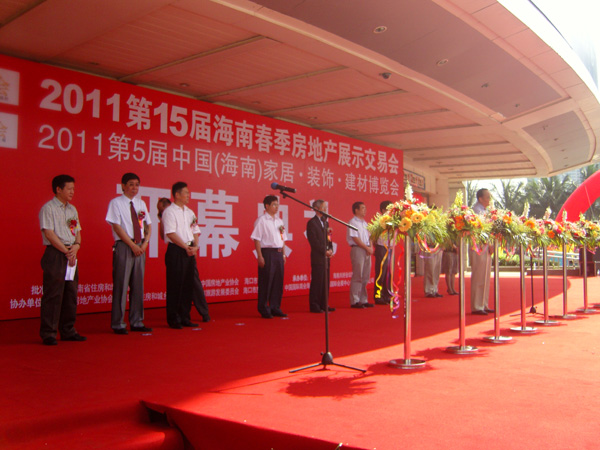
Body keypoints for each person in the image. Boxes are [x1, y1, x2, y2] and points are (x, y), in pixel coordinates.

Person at [38, 174, 86, 345]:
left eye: (73, 189)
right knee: (53, 293)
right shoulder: (48, 208)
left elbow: (77, 231)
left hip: (71, 253)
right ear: (58, 189)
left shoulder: (72, 210)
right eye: (69, 188)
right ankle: (49, 333)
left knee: (70, 293)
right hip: (56, 253)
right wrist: (66, 251)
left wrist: (77, 245)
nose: (72, 192)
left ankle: (68, 330)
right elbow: (49, 233)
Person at [105, 173, 152, 334]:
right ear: (123, 186)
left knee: (138, 286)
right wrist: (132, 245)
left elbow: (148, 225)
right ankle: (118, 323)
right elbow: (117, 227)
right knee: (121, 285)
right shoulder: (116, 203)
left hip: (140, 247)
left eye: (137, 184)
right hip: (125, 246)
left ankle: (137, 321)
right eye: (131, 184)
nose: (134, 188)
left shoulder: (141, 203)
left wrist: (145, 243)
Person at [162, 182, 211, 328]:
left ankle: (185, 316)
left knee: (188, 285)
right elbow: (170, 233)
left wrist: (195, 246)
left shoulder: (190, 212)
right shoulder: (169, 212)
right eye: (186, 193)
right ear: (177, 195)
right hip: (176, 250)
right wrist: (185, 247)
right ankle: (173, 318)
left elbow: (195, 230)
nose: (188, 196)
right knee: (175, 285)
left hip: (189, 250)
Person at [251, 195, 288, 318]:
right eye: (274, 204)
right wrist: (259, 256)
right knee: (266, 282)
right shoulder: (261, 220)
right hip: (267, 253)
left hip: (278, 253)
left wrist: (283, 254)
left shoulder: (279, 221)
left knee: (278, 281)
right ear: (267, 206)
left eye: (277, 204)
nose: (277, 207)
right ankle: (263, 308)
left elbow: (283, 239)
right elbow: (256, 239)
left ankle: (275, 307)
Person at [307, 199, 335, 313]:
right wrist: (324, 251)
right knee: (317, 281)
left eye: (325, 207)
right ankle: (315, 305)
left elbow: (328, 238)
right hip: (318, 257)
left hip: (326, 257)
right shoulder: (312, 223)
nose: (325, 209)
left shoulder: (325, 222)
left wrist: (330, 249)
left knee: (325, 281)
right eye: (323, 207)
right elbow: (314, 241)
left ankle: (324, 304)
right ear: (317, 209)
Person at [347, 201, 374, 308]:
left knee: (365, 276)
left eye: (365, 208)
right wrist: (366, 248)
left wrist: (370, 247)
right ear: (356, 210)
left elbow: (370, 237)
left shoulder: (365, 223)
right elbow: (355, 238)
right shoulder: (352, 222)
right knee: (358, 275)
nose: (365, 210)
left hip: (367, 250)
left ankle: (363, 299)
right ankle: (355, 300)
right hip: (358, 249)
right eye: (362, 208)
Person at [470, 188, 493, 315]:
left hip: (486, 247)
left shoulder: (485, 211)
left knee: (485, 277)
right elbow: (480, 230)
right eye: (487, 197)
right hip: (478, 246)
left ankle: (484, 304)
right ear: (480, 198)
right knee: (479, 276)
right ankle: (477, 306)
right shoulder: (476, 211)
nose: (489, 200)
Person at [373, 200, 392, 305]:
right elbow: (373, 236)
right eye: (389, 209)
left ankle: (386, 295)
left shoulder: (393, 220)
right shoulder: (379, 221)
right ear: (383, 210)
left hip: (390, 248)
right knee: (381, 273)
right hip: (381, 247)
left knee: (388, 273)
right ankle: (378, 295)